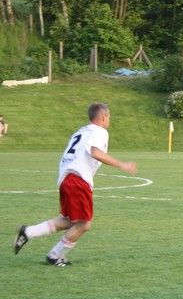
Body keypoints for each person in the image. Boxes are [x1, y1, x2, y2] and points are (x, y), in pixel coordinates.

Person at [13, 103, 138, 266]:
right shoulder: (100, 132)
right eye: (109, 117)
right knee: (84, 224)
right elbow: (95, 152)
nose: (109, 120)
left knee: (71, 220)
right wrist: (122, 165)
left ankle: (28, 232)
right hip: (77, 180)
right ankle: (55, 255)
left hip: (67, 179)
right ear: (104, 117)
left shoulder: (81, 131)